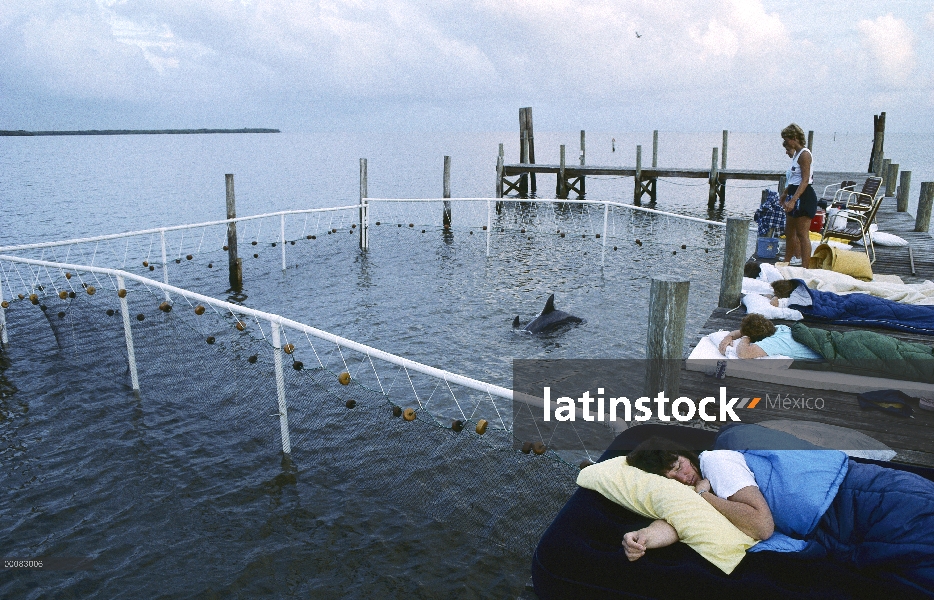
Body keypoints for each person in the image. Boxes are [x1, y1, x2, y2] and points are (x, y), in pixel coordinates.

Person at [621, 437, 774, 561]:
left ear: (685, 454)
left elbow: (762, 526)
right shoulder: (687, 490)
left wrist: (703, 495)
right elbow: (680, 520)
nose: (683, 478)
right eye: (672, 478)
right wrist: (642, 538)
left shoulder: (714, 462)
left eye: (679, 466)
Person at [778, 124, 816, 268]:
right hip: (794, 193)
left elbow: (805, 180)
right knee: (789, 231)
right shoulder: (796, 155)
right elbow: (794, 180)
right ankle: (786, 262)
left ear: (794, 138)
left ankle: (805, 267)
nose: (786, 143)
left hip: (804, 197)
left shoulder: (805, 154)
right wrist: (785, 194)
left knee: (802, 234)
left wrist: (794, 200)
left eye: (787, 140)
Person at [716, 313, 822, 360]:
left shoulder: (775, 342)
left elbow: (743, 353)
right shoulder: (779, 329)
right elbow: (739, 332)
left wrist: (746, 337)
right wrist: (728, 337)